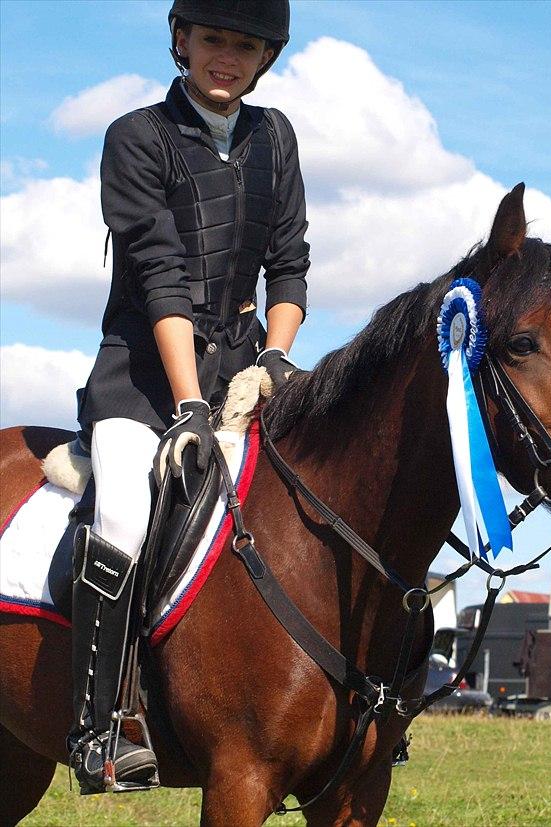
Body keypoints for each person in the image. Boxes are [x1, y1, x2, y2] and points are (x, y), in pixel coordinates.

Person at [69, 0, 309, 793]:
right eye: (213, 39)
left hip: (243, 372)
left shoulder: (275, 136)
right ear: (182, 39)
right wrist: (189, 406)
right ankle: (101, 726)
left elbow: (290, 263)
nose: (226, 58)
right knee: (124, 513)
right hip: (141, 379)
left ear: (264, 56)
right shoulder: (135, 137)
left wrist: (276, 356)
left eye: (244, 46)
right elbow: (160, 276)